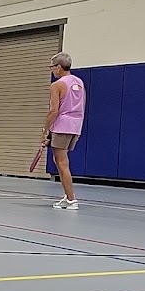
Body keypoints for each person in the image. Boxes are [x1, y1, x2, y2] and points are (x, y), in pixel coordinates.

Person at [43, 52, 85, 210]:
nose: (52, 70)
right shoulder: (79, 82)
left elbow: (54, 111)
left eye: (52, 67)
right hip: (75, 126)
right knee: (60, 161)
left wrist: (45, 130)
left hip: (62, 125)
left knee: (62, 162)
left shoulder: (57, 85)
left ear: (59, 67)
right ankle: (67, 196)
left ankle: (71, 199)